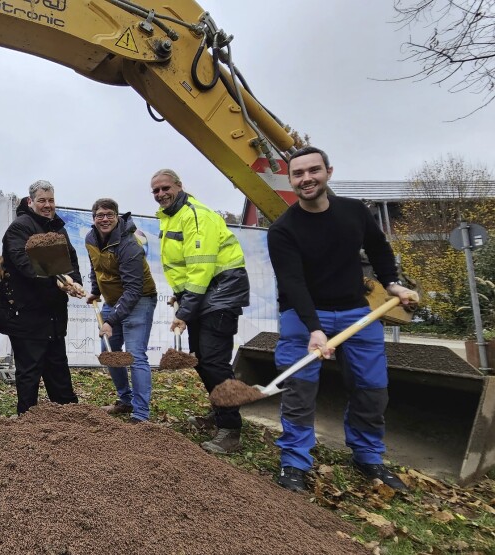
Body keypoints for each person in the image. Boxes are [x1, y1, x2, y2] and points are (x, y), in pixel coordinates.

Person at [268, 146, 418, 492]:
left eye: (313, 171)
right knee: (300, 389)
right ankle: (294, 462)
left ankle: (368, 456)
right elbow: (293, 283)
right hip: (302, 314)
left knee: (372, 388)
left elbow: (379, 248)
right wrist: (314, 329)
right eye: (298, 174)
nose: (306, 178)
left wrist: (391, 282)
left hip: (356, 313)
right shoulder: (283, 230)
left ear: (328, 173)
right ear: (290, 181)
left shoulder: (354, 212)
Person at [152, 168, 250, 454]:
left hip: (221, 292)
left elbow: (201, 267)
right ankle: (221, 412)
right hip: (205, 295)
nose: (160, 194)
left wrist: (185, 310)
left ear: (179, 186)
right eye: (155, 191)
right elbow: (184, 267)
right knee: (204, 359)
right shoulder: (172, 217)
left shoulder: (196, 215)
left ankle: (231, 430)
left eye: (165, 188)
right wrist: (180, 297)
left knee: (214, 362)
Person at [0, 180, 84, 415]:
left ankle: (69, 417)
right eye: (42, 200)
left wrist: (74, 282)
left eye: (51, 200)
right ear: (31, 202)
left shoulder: (58, 229)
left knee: (58, 367)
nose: (47, 205)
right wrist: (55, 281)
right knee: (29, 371)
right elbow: (23, 264)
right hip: (26, 313)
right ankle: (28, 421)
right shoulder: (19, 228)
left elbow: (71, 261)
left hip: (54, 313)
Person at [84, 198, 157, 423]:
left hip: (140, 298)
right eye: (100, 215)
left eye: (109, 215)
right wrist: (96, 291)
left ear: (117, 217)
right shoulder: (90, 238)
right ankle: (125, 400)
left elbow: (134, 289)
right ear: (93, 218)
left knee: (135, 356)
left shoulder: (129, 244)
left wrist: (112, 320)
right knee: (110, 353)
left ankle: (141, 414)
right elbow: (96, 267)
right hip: (113, 299)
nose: (104, 219)